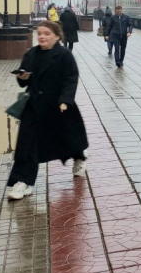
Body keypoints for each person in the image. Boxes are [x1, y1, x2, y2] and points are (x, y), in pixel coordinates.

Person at [7, 20, 89, 200]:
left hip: (59, 105)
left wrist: (66, 100)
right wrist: (22, 77)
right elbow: (23, 82)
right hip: (34, 106)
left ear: (57, 36)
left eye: (47, 34)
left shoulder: (64, 55)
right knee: (26, 144)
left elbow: (70, 79)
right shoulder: (31, 54)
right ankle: (23, 182)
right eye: (40, 33)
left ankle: (79, 158)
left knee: (67, 138)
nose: (42, 37)